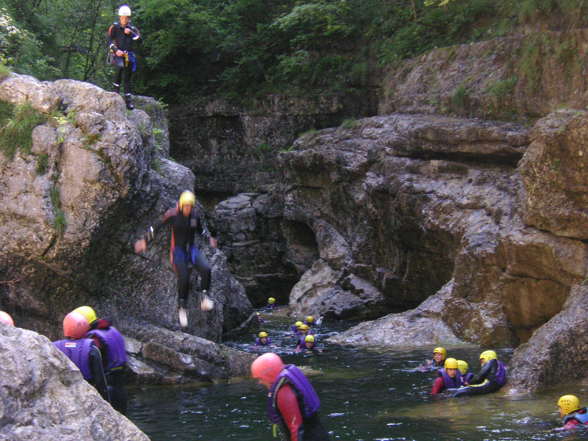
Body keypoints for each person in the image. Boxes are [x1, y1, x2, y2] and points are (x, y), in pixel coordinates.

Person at [134, 190, 217, 327]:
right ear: (180, 205)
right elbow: (155, 227)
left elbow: (200, 230)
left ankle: (204, 297)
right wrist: (144, 240)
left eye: (190, 207)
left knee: (206, 269)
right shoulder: (172, 214)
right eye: (185, 206)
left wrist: (209, 239)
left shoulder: (194, 216)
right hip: (178, 250)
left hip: (191, 249)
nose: (187, 209)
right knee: (183, 277)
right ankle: (182, 307)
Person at [251, 353, 330, 441]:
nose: (260, 382)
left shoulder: (284, 393)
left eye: (260, 378)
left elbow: (296, 429)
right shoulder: (285, 384)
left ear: (269, 374)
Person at [73, 305, 128, 414]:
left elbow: (93, 365)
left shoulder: (94, 338)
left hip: (106, 387)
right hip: (120, 384)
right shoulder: (110, 329)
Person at [53, 311, 109, 402]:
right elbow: (100, 382)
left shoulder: (54, 347)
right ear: (85, 328)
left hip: (63, 394)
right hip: (86, 393)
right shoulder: (92, 350)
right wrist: (107, 403)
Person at [107, 5, 141, 110]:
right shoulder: (115, 27)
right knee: (117, 75)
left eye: (126, 17)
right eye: (122, 17)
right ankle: (115, 97)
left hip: (128, 56)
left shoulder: (133, 29)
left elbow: (140, 41)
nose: (124, 19)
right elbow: (108, 40)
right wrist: (116, 50)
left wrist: (131, 33)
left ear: (129, 18)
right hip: (118, 55)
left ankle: (128, 101)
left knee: (127, 78)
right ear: (120, 17)